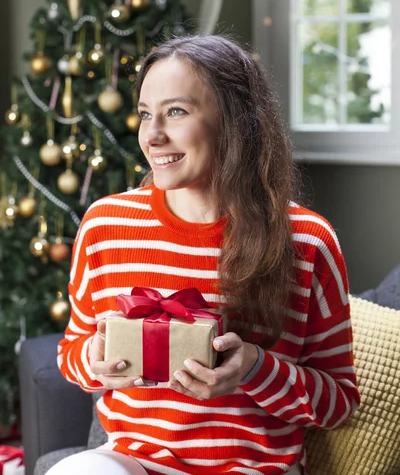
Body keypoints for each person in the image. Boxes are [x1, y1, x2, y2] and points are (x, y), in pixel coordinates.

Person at [52, 35, 360, 475]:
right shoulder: (106, 225)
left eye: (176, 111)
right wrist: (95, 360)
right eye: (144, 115)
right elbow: (71, 355)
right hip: (133, 463)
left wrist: (255, 368)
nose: (152, 135)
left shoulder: (308, 241)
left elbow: (340, 404)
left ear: (235, 122)